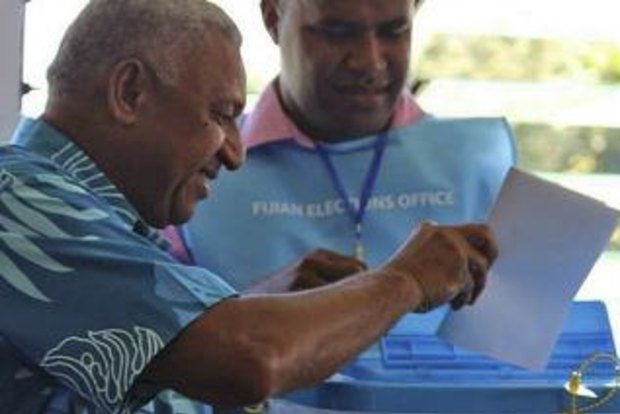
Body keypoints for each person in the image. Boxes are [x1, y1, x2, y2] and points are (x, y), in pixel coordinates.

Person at [0, 0, 498, 413]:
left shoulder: (103, 221)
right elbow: (249, 361)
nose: (236, 154)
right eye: (221, 116)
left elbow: (182, 374)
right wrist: (405, 280)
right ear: (129, 93)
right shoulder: (14, 199)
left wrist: (256, 306)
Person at [174, 0, 515, 291]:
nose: (370, 62)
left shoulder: (483, 165)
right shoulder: (184, 170)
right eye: (338, 33)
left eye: (393, 32)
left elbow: (532, 348)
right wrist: (259, 313)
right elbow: (143, 347)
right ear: (273, 18)